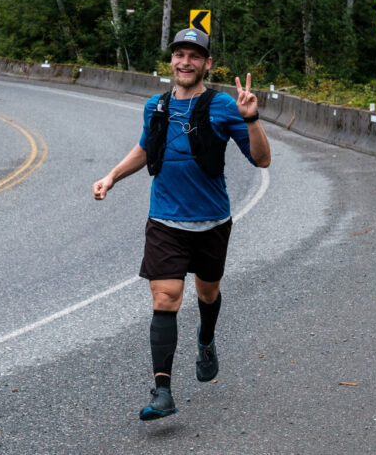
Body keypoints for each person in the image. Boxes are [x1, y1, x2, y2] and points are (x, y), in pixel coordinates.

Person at [92, 28, 271, 421]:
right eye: (179, 55)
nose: (185, 62)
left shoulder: (223, 106)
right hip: (165, 219)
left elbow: (261, 160)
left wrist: (252, 119)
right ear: (171, 61)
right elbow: (145, 148)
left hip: (211, 221)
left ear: (207, 63)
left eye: (194, 56)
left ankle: (206, 339)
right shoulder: (155, 107)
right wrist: (111, 176)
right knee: (165, 297)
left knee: (207, 294)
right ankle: (163, 392)